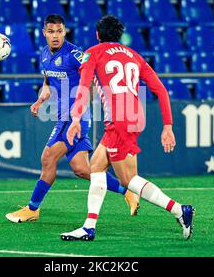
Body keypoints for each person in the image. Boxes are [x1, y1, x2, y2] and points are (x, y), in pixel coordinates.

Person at [60, 15, 195, 241]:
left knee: (128, 180)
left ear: (97, 34)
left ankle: (180, 210)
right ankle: (88, 226)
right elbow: (161, 90)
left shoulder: (92, 53)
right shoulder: (134, 55)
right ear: (119, 35)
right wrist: (168, 126)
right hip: (133, 117)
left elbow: (84, 86)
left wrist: (75, 118)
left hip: (118, 119)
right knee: (96, 168)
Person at [6, 14, 140, 223]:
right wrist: (40, 101)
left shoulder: (74, 54)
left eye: (59, 31)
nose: (55, 36)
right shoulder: (44, 55)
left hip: (73, 119)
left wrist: (81, 106)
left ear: (64, 31)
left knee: (47, 158)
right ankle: (127, 191)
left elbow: (92, 74)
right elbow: (48, 82)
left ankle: (32, 209)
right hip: (64, 117)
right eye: (51, 31)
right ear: (44, 33)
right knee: (82, 169)